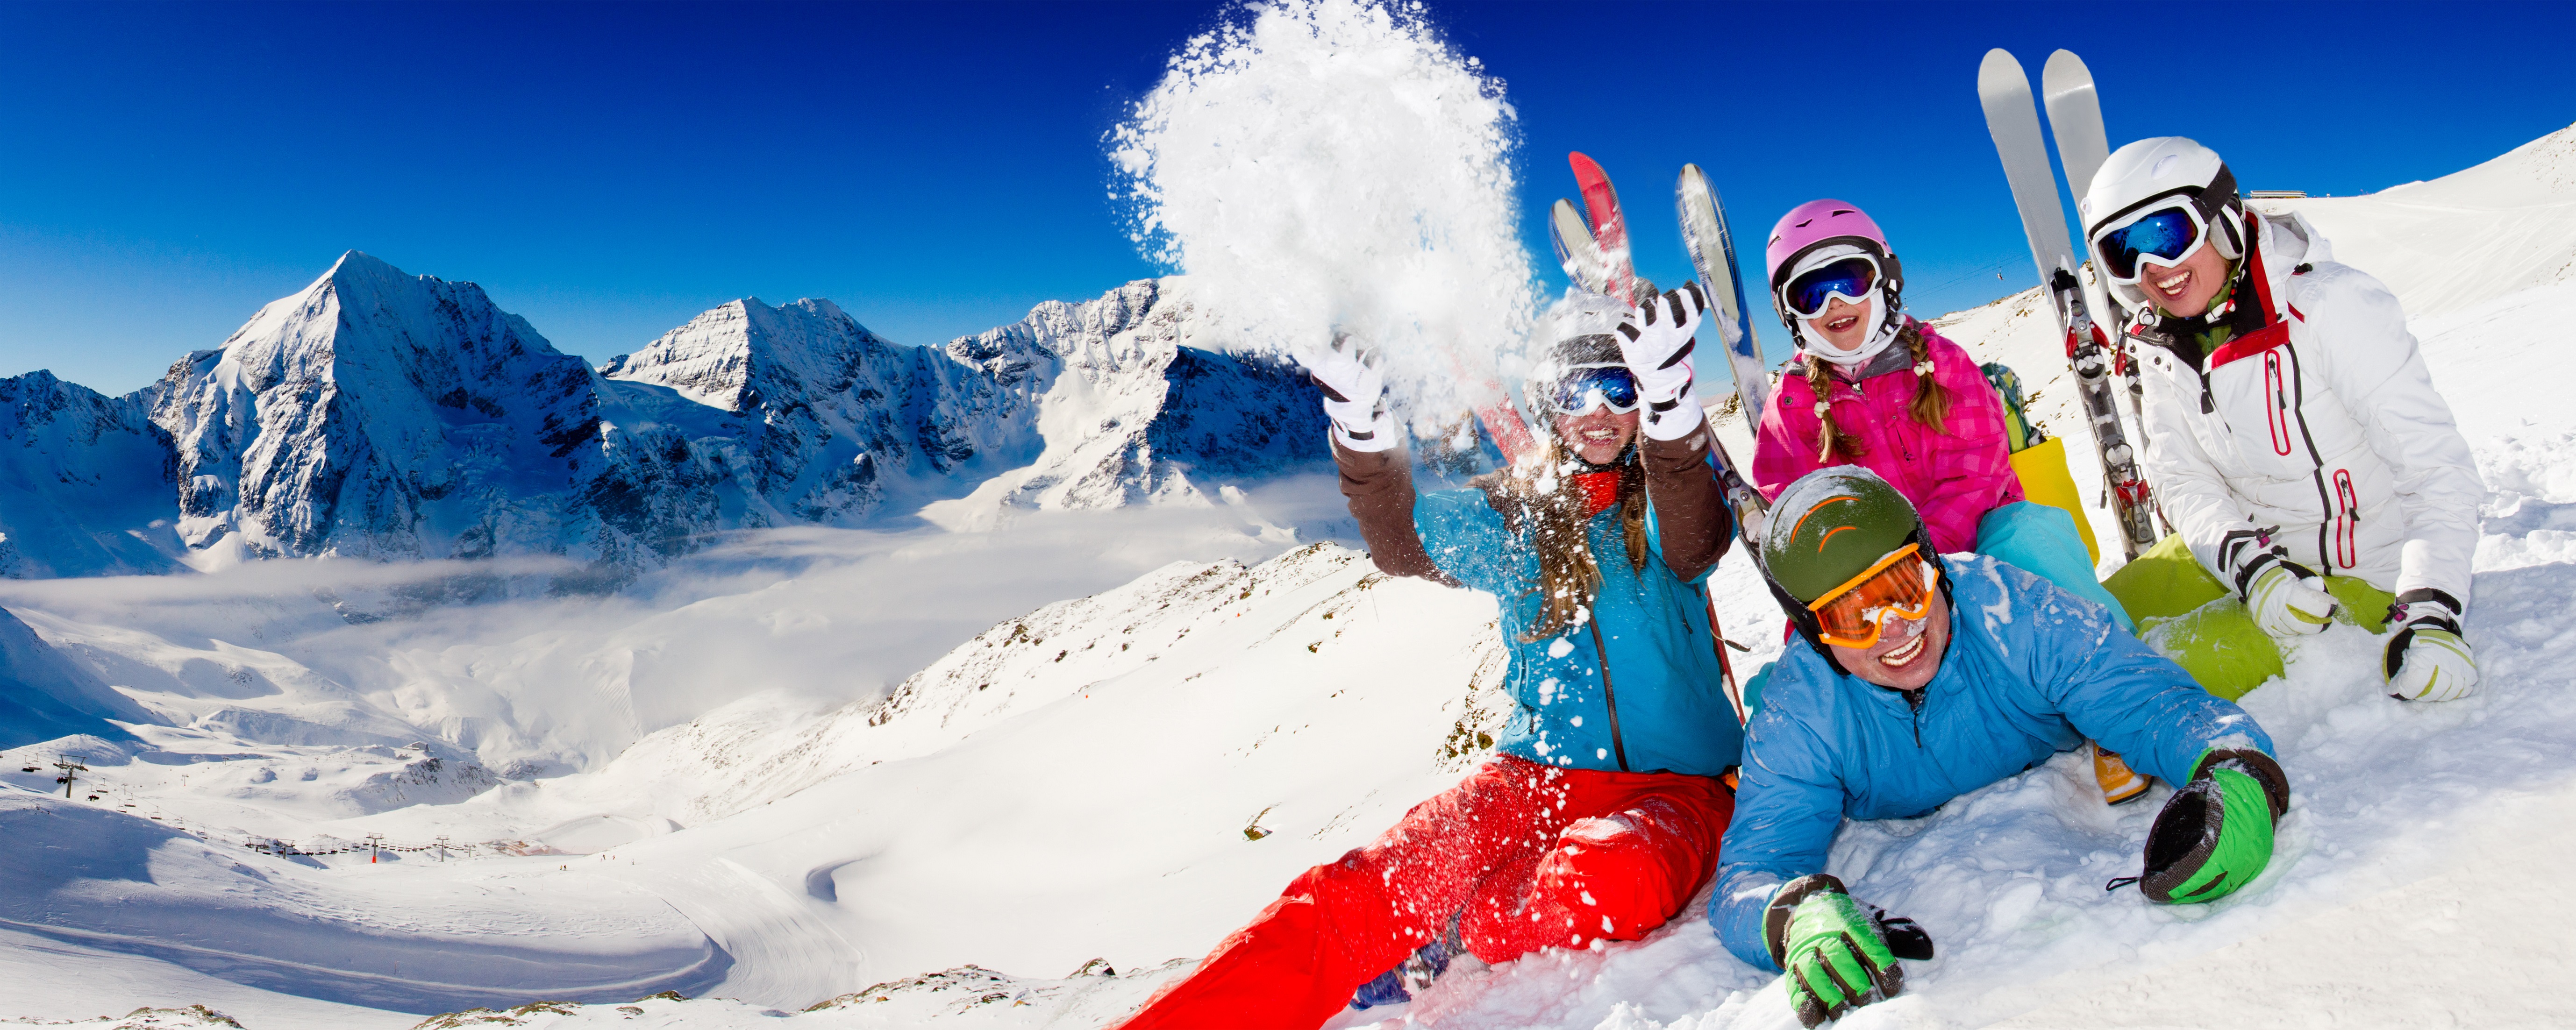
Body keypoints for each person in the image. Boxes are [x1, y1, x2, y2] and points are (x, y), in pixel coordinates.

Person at [1108, 286, 1745, 1030]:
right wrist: (1364, 433)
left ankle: (1461, 927)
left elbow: (1696, 540)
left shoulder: (1668, 499)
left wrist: (1672, 409)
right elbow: (1401, 542)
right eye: (1576, 391)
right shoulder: (1515, 516)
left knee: (1616, 881)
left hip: (1674, 789)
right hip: (1533, 779)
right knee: (1367, 887)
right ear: (1548, 406)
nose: (1598, 411)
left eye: (1620, 388)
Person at [1712, 467, 2290, 1028]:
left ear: (1932, 565)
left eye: (1903, 588)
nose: (1893, 627)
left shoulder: (2011, 610)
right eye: (1850, 617)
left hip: (2033, 637)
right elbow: (1751, 869)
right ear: (1813, 633)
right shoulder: (1800, 714)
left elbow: (2149, 701)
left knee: (2031, 536)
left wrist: (2234, 769)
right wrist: (1793, 916)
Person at [1749, 199, 2150, 802]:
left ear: (1883, 281)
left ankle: (2115, 699)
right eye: (1811, 293)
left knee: (2031, 536)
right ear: (1791, 314)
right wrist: (1834, 608)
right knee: (1808, 655)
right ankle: (1822, 763)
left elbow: (1976, 477)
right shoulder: (1791, 407)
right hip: (1874, 586)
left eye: (1849, 279)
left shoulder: (1941, 364)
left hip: (1976, 549)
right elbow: (1796, 523)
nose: (1833, 303)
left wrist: (1918, 569)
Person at [2083, 137, 2483, 703]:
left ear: (2220, 219)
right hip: (2246, 561)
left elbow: (2434, 468)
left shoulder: (2330, 306)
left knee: (2128, 684)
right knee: (2073, 629)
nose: (2151, 269)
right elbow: (2183, 479)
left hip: (2358, 575)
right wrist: (2251, 567)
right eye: (2123, 252)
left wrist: (2431, 608)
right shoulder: (2158, 344)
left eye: (2165, 235)